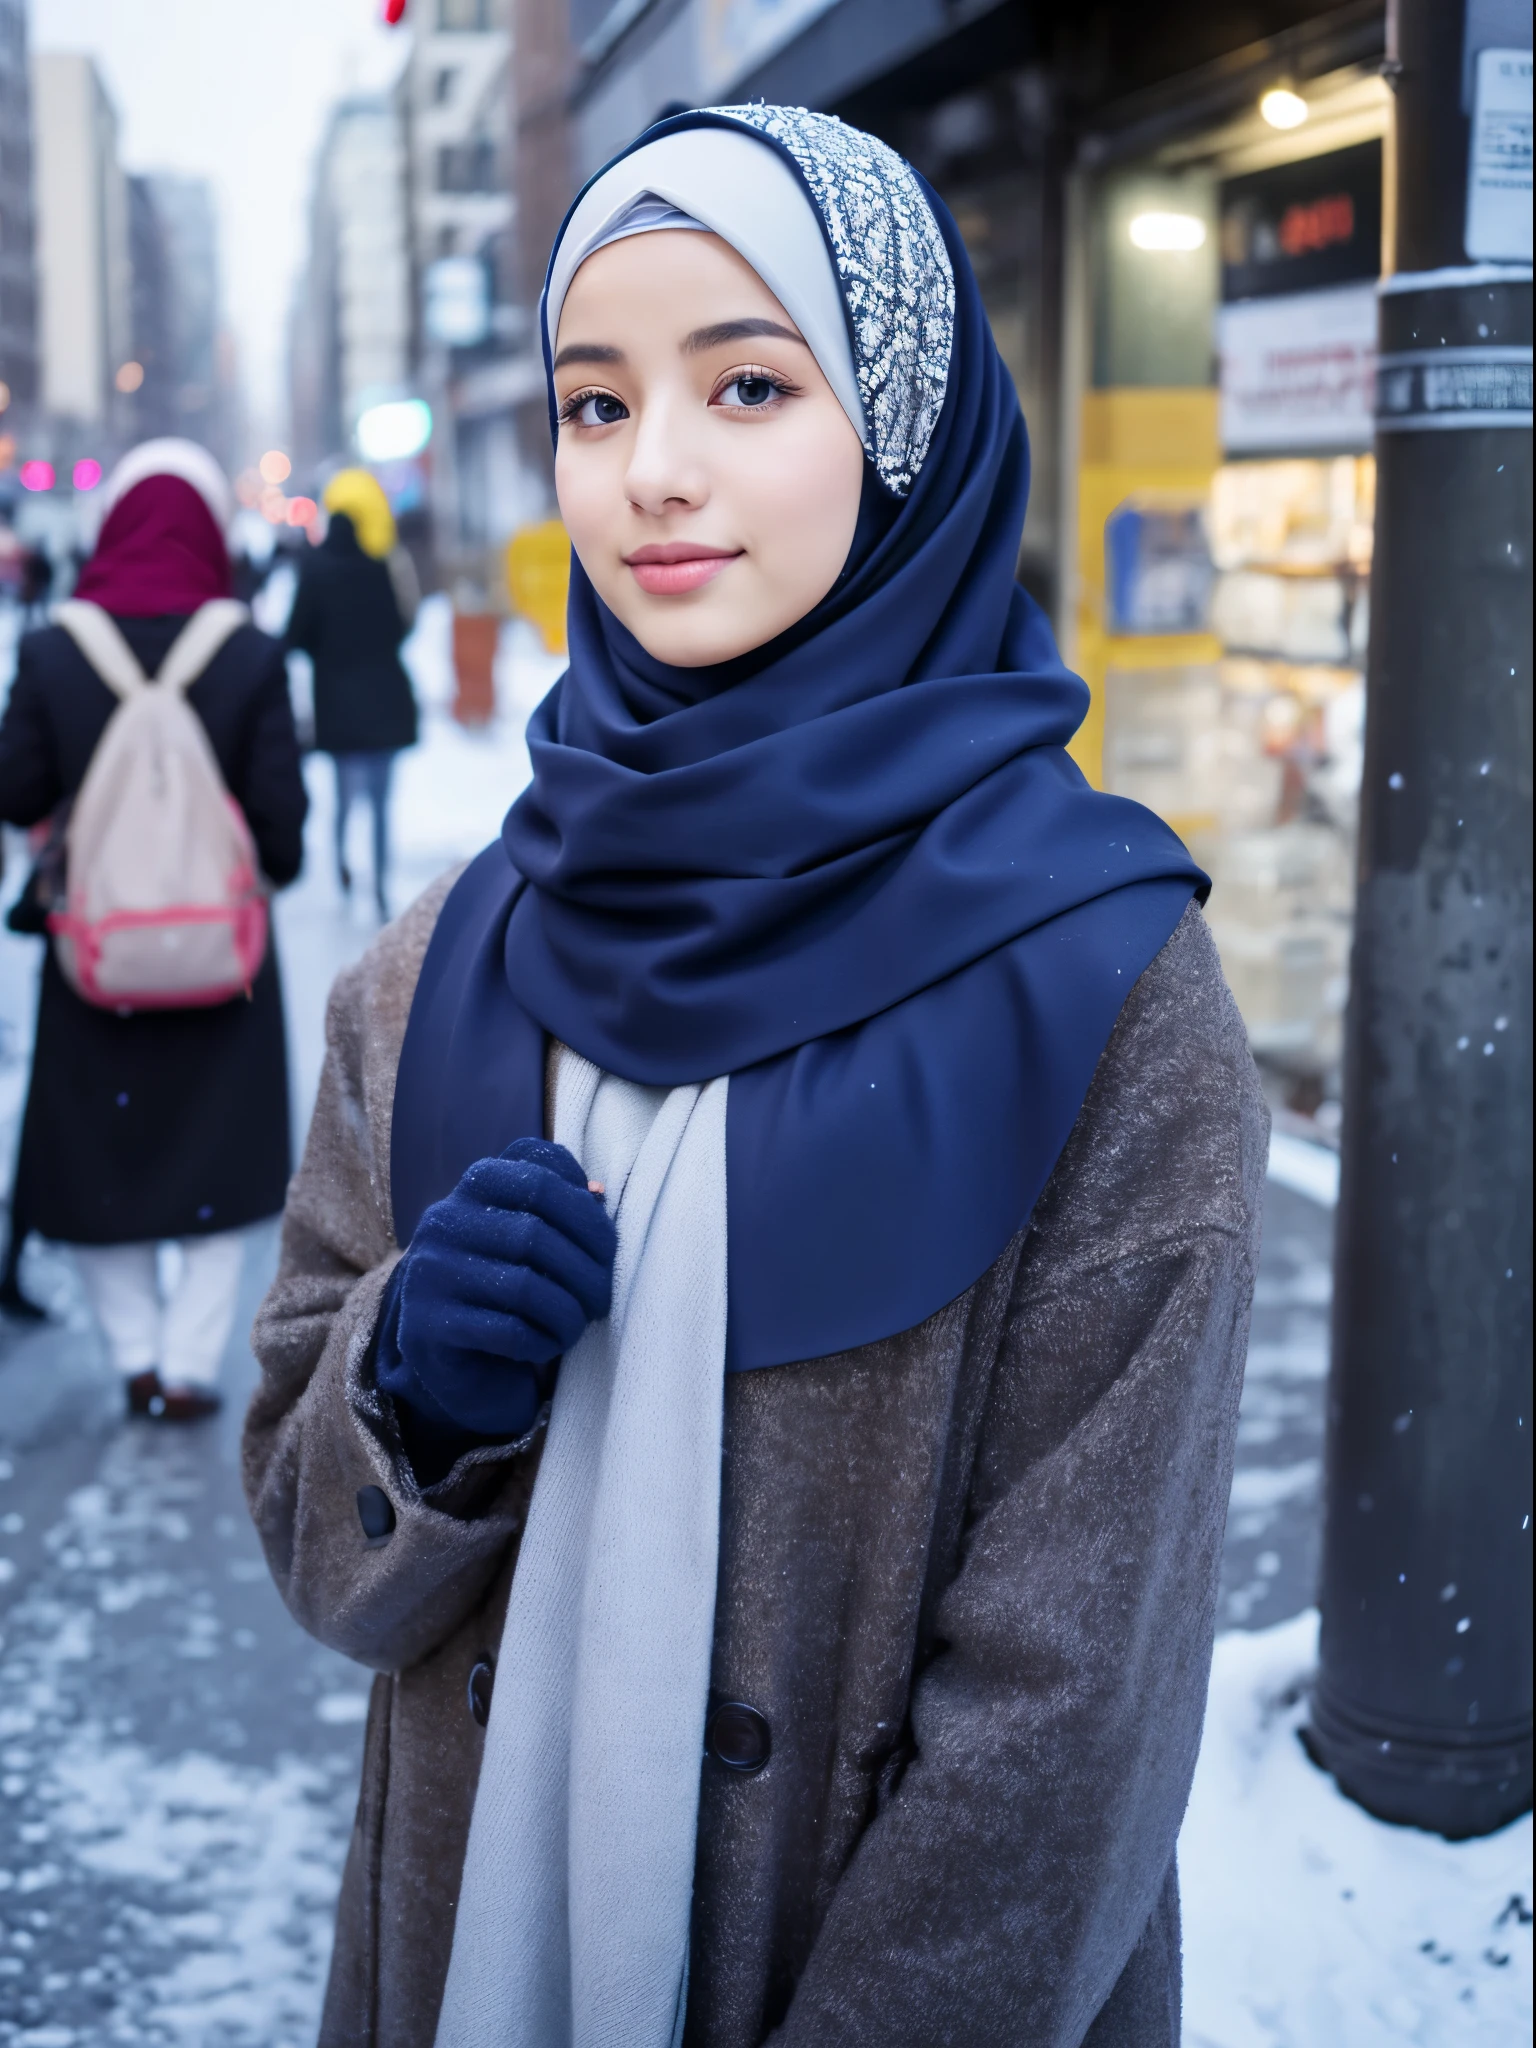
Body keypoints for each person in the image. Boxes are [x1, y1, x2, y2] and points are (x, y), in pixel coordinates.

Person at [245, 108, 1266, 2048]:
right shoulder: (444, 963)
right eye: (597, 403)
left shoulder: (1104, 984)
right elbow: (322, 1553)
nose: (658, 474)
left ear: (900, 424)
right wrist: (409, 1388)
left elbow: (1064, 1734)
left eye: (748, 380)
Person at [0, 439, 307, 1421]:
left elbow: (14, 789)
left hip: (95, 957)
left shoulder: (53, 651)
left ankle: (133, 1359)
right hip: (226, 965)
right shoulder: (250, 654)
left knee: (99, 1159)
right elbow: (285, 842)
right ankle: (188, 1365)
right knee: (224, 1162)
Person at [285, 468, 418, 919]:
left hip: (336, 704)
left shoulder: (315, 569)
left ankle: (342, 867)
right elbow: (404, 624)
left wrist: (326, 650)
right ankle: (380, 885)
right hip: (386, 701)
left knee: (343, 797)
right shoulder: (384, 564)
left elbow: (294, 636)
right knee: (381, 803)